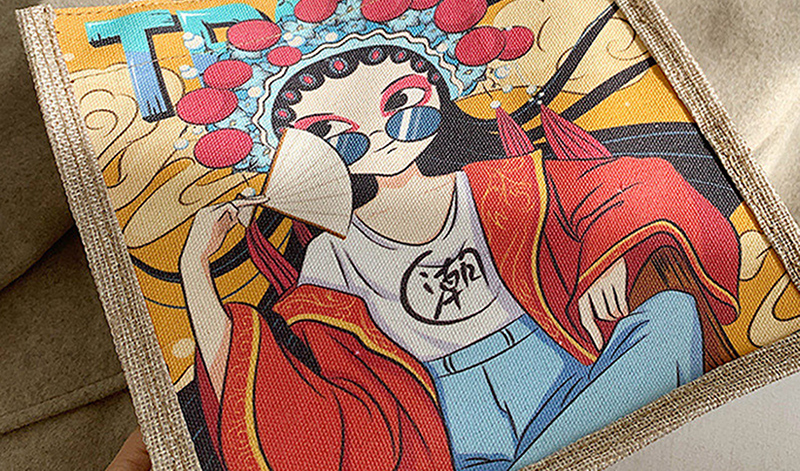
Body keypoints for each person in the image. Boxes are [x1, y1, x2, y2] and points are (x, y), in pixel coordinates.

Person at [179, 39, 741, 471]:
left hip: (568, 372)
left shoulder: (496, 183)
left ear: (436, 93)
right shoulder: (331, 254)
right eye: (337, 135)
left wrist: (612, 252)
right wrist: (194, 272)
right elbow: (268, 382)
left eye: (400, 107)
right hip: (453, 424)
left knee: (672, 319)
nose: (381, 138)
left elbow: (632, 186)